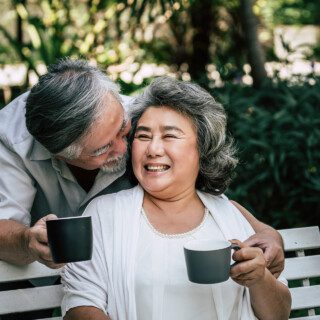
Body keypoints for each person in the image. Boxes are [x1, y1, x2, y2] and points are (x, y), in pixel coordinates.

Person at [0, 59, 283, 273]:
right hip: (28, 274)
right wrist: (28, 241)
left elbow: (192, 192)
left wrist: (263, 230)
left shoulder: (136, 115)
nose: (126, 149)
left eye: (124, 131)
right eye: (102, 149)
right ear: (60, 155)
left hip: (124, 267)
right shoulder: (13, 138)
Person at [61, 77, 291, 320]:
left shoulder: (227, 215)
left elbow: (279, 315)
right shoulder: (104, 214)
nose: (153, 149)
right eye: (143, 136)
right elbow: (80, 304)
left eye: (169, 136)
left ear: (202, 148)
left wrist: (259, 279)